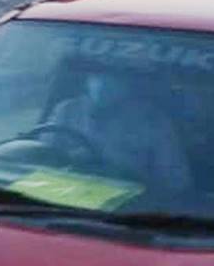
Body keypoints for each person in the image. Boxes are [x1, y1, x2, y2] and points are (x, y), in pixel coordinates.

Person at [47, 69, 192, 194]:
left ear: (127, 81)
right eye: (97, 74)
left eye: (113, 76)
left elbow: (176, 182)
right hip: (65, 197)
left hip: (128, 208)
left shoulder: (152, 120)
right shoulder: (67, 110)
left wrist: (125, 172)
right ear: (87, 78)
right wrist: (72, 160)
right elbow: (42, 157)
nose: (103, 83)